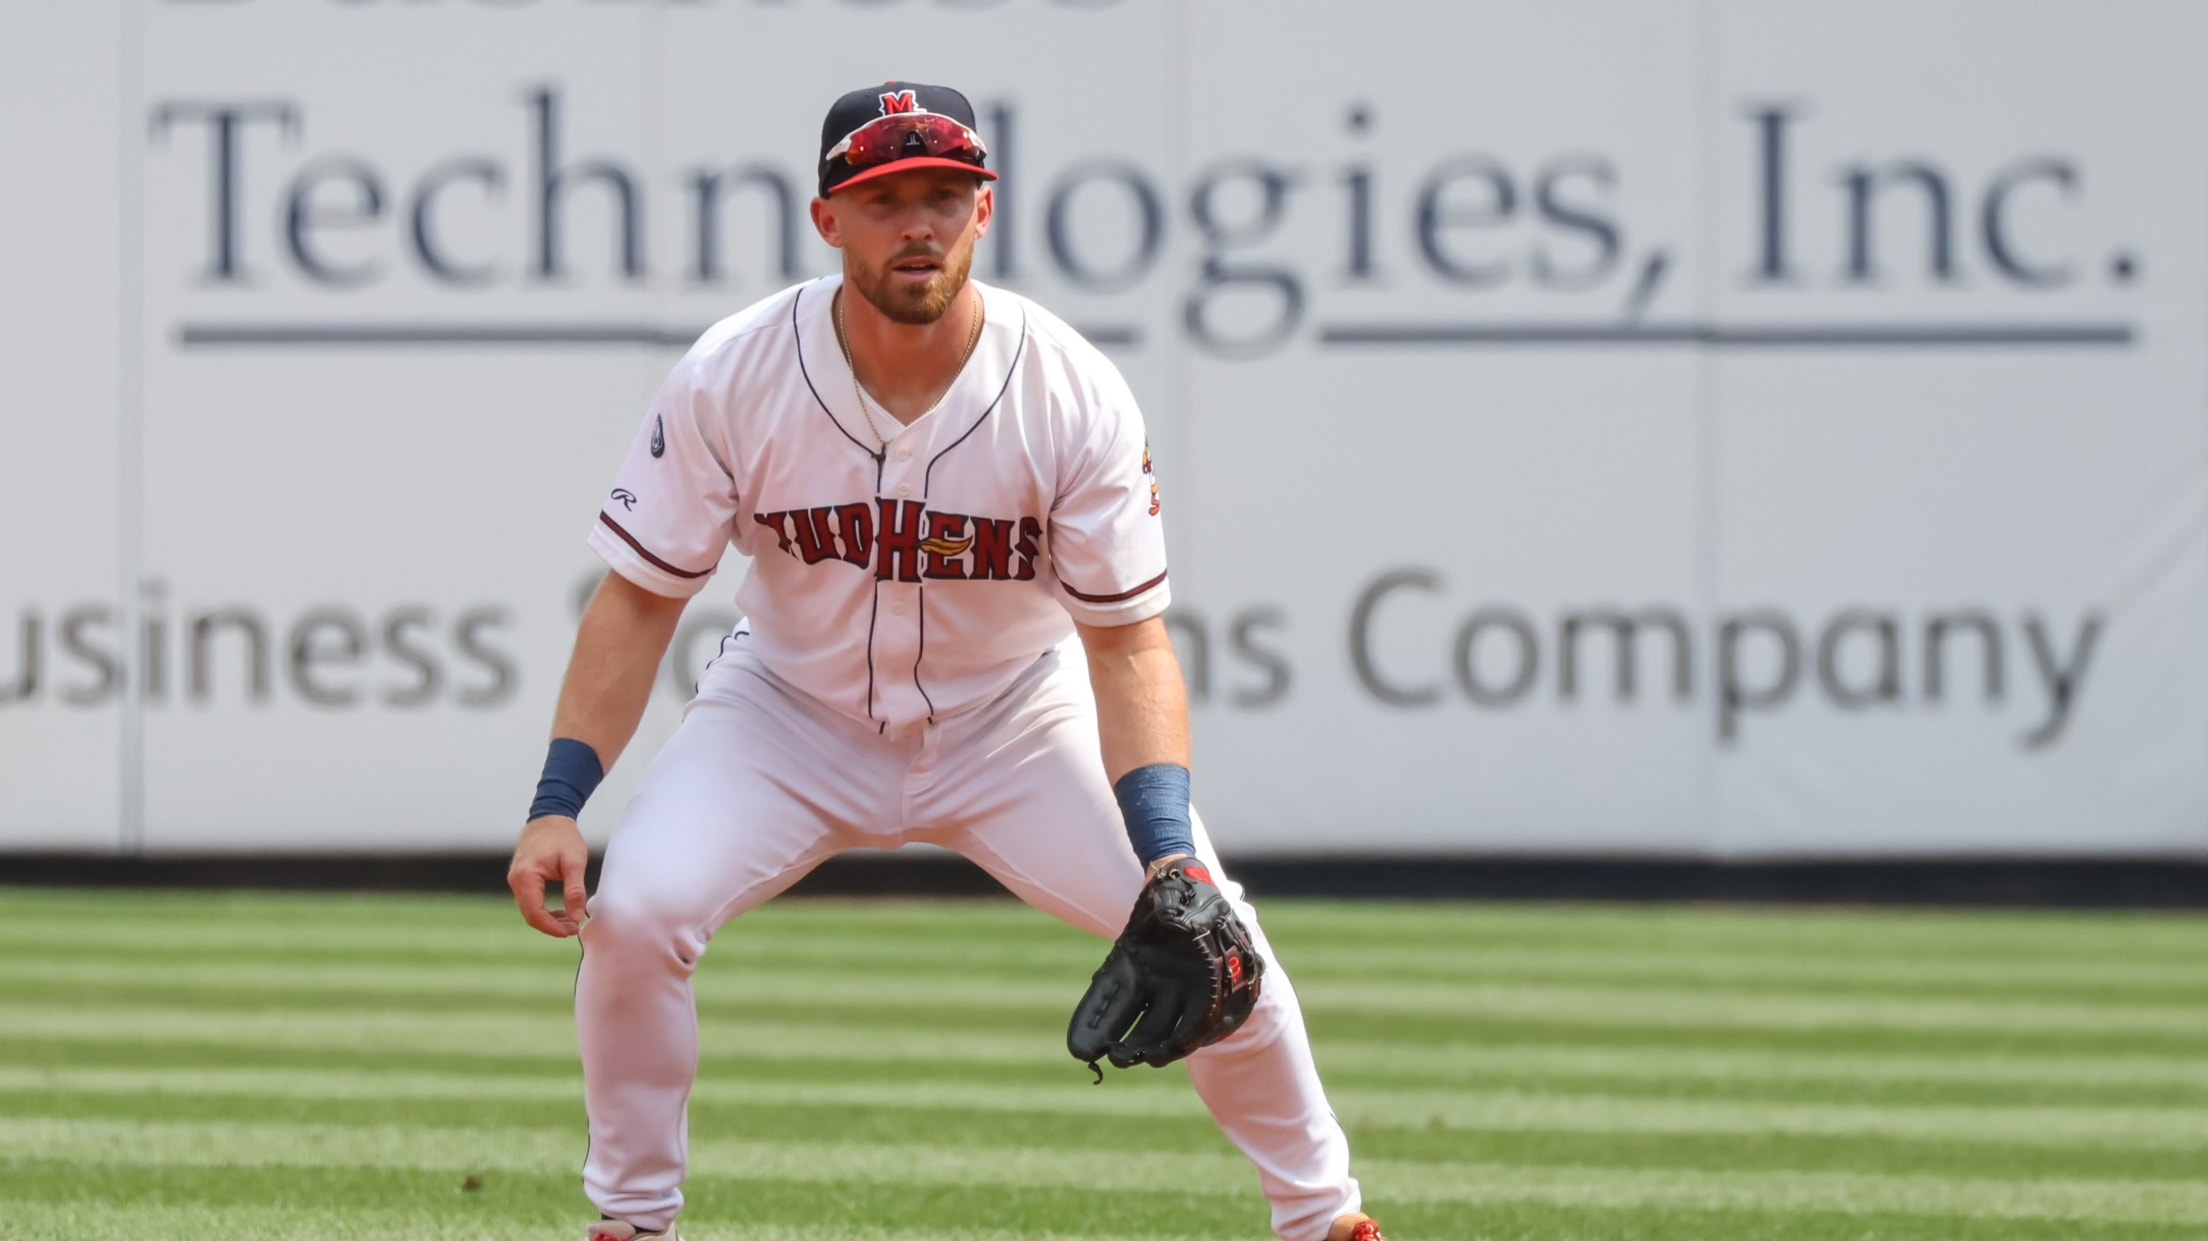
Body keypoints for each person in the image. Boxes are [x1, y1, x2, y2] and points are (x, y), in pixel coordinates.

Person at [505, 80, 1386, 1241]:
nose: (918, 224)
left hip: (1014, 721)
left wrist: (1170, 853)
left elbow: (1128, 644)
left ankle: (1324, 1218)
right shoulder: (735, 372)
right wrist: (558, 800)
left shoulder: (1067, 388)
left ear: (986, 211)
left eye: (945, 195)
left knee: (1218, 943)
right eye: (884, 200)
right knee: (634, 915)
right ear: (828, 219)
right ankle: (632, 1220)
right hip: (788, 711)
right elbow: (637, 600)